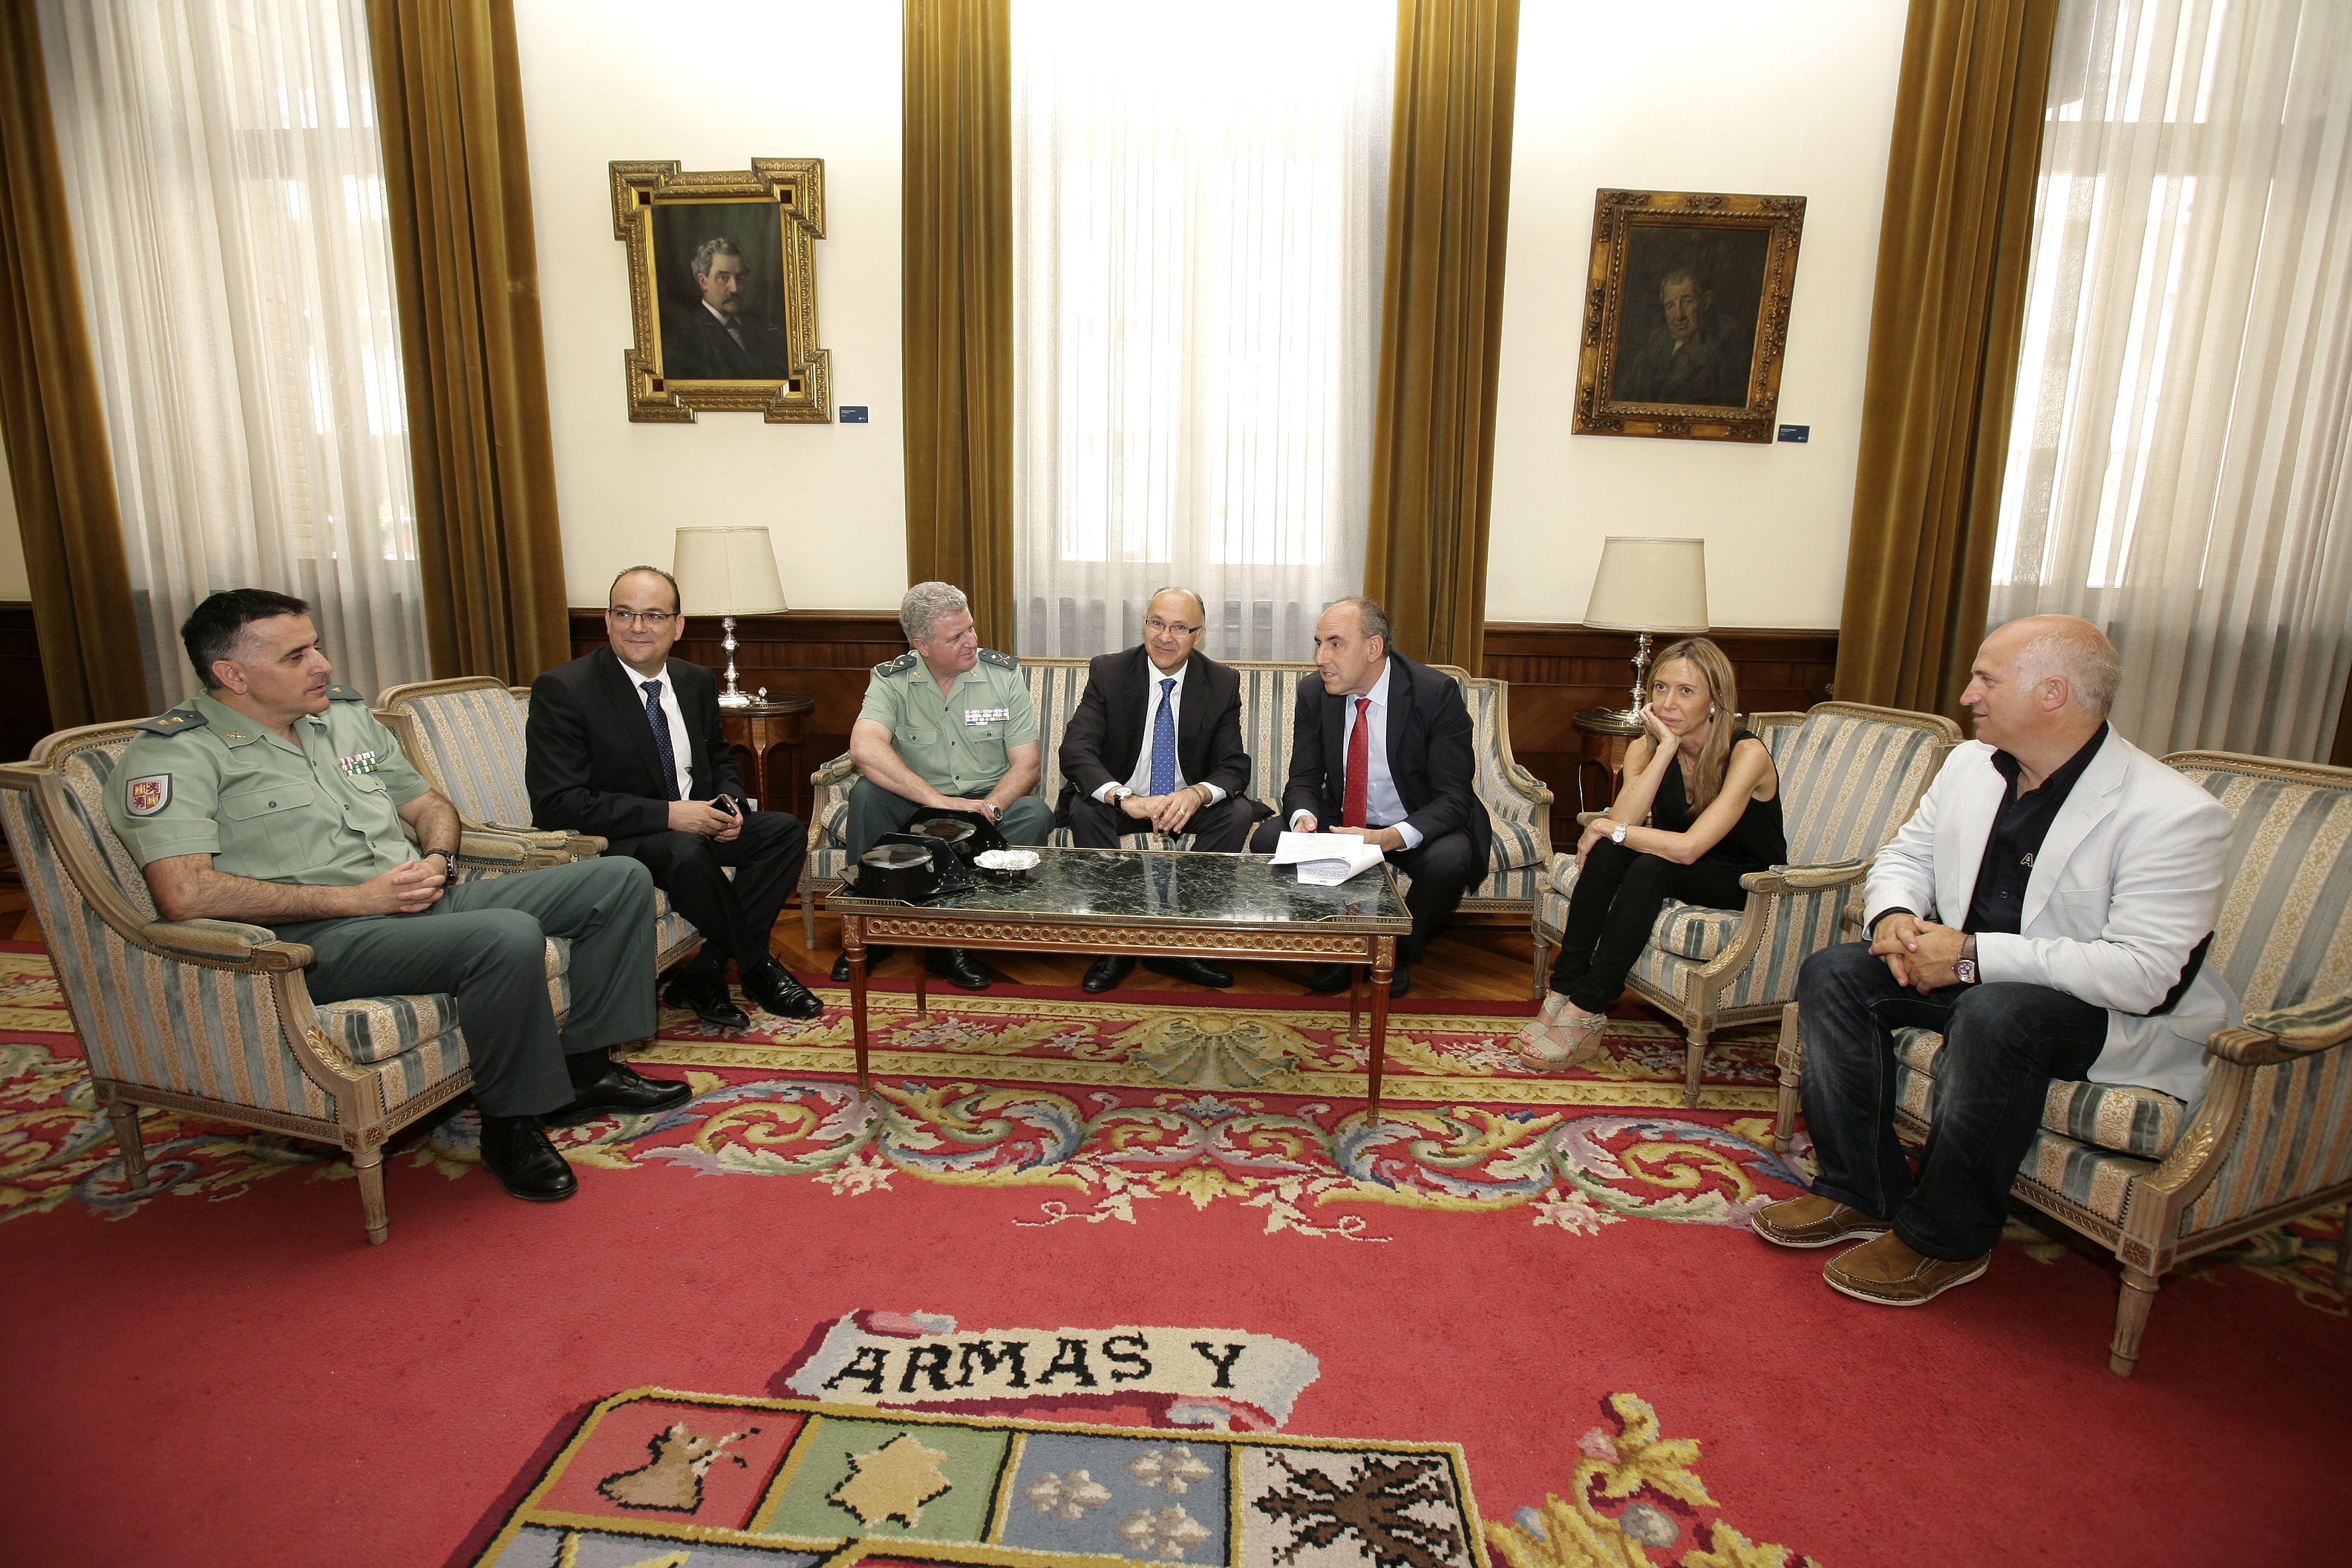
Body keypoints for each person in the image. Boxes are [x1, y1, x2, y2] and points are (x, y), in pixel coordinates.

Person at [104, 589, 679, 1205]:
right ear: (232, 675)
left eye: (316, 646)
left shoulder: (343, 718)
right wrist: (355, 900)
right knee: (506, 933)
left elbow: (428, 805)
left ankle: (586, 1069)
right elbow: (184, 895)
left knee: (616, 877)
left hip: (413, 905)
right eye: (298, 656)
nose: (322, 664)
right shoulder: (176, 753)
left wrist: (437, 859)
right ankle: (512, 1128)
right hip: (315, 940)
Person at [1753, 615, 2235, 1307]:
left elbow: (2144, 974)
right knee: (1834, 973)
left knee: (1996, 1012)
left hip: (2102, 1012)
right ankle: (1861, 1189)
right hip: (1969, 973)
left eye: (1987, 678)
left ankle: (1947, 1239)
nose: (1968, 693)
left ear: (2053, 693)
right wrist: (1893, 917)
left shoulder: (2173, 814)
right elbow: (1907, 854)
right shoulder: (1970, 766)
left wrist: (1972, 957)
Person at [526, 565, 823, 1030]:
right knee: (684, 850)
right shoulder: (566, 690)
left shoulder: (695, 681)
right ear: (606, 621)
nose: (638, 628)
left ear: (678, 626)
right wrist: (670, 815)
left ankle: (703, 973)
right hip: (621, 837)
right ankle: (757, 966)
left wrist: (729, 806)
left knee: (783, 831)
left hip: (695, 821)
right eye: (625, 614)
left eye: (653, 616)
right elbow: (556, 803)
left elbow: (720, 759)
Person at [1518, 638, 1785, 1068]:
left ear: (1716, 699)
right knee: (1609, 855)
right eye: (1660, 688)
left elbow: (1690, 847)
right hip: (1683, 862)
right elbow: (1622, 823)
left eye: (1686, 691)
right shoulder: (1648, 746)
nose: (1667, 703)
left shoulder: (1746, 753)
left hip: (1745, 879)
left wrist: (1610, 827)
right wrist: (1664, 750)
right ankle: (1562, 992)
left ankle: (1587, 1009)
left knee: (1648, 868)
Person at [1249, 597, 1490, 999]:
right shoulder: (1314, 693)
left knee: (1449, 861)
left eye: (1335, 643)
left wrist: (1391, 837)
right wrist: (1303, 818)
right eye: (1318, 643)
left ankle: (1395, 953)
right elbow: (1304, 778)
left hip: (1418, 818)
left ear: (1373, 648)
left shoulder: (1434, 693)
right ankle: (1339, 946)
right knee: (1268, 840)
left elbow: (1453, 797)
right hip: (1346, 816)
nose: (1320, 657)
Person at [834, 581, 1055, 989]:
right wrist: (940, 802)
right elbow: (865, 748)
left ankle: (955, 937)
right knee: (866, 795)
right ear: (923, 645)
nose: (971, 641)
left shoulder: (1003, 677)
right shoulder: (892, 681)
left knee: (1036, 812)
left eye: (971, 629)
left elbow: (1028, 766)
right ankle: (869, 927)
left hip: (984, 805)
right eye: (956, 637)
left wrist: (989, 806)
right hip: (916, 801)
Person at [1056, 587, 1266, 993]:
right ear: (1144, 624)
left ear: (1199, 635)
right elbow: (1077, 749)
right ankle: (1115, 941)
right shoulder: (1109, 671)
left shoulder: (1221, 682)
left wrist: (1195, 795)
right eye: (1156, 623)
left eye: (1179, 627)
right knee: (1086, 809)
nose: (1165, 637)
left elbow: (1233, 765)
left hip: (1184, 803)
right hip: (1126, 798)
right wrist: (1126, 798)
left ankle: (1183, 941)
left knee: (1237, 813)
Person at [1612, 267, 1751, 407]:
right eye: (1670, 306)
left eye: (1687, 302)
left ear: (1706, 301)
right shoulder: (1656, 339)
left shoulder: (1730, 339)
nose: (1679, 315)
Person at [660, 237, 795, 381]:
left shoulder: (758, 326)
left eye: (740, 278)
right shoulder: (683, 338)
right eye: (723, 278)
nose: (735, 289)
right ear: (703, 281)